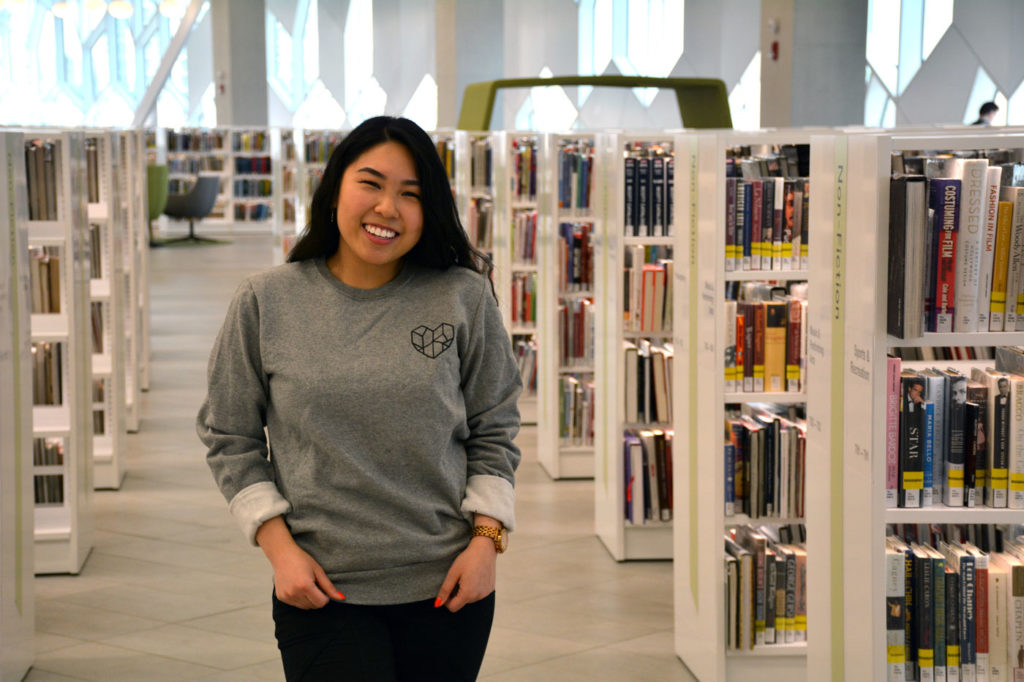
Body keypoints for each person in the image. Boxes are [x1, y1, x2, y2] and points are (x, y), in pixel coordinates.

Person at [197, 116, 522, 681]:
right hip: (320, 590)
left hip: (449, 588)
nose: (387, 208)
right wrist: (279, 550)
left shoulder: (463, 296)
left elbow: (494, 425)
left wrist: (486, 543)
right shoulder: (266, 301)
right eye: (370, 183)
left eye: (410, 194)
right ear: (335, 190)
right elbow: (230, 436)